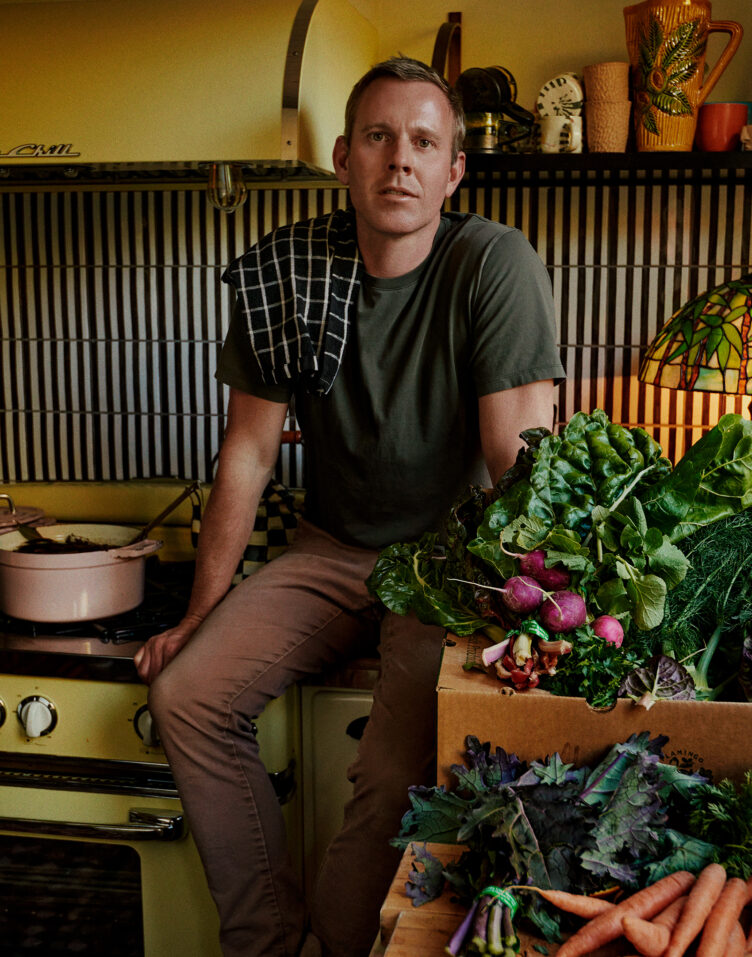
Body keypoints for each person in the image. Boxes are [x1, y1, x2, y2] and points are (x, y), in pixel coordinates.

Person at [134, 56, 565, 957]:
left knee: (394, 771)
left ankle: (334, 949)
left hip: (446, 566)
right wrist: (201, 615)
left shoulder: (495, 264)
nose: (398, 161)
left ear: (453, 170)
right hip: (327, 552)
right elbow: (248, 454)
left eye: (422, 142)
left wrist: (539, 611)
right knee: (185, 695)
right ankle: (267, 943)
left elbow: (519, 464)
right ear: (343, 158)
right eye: (378, 137)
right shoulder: (289, 273)